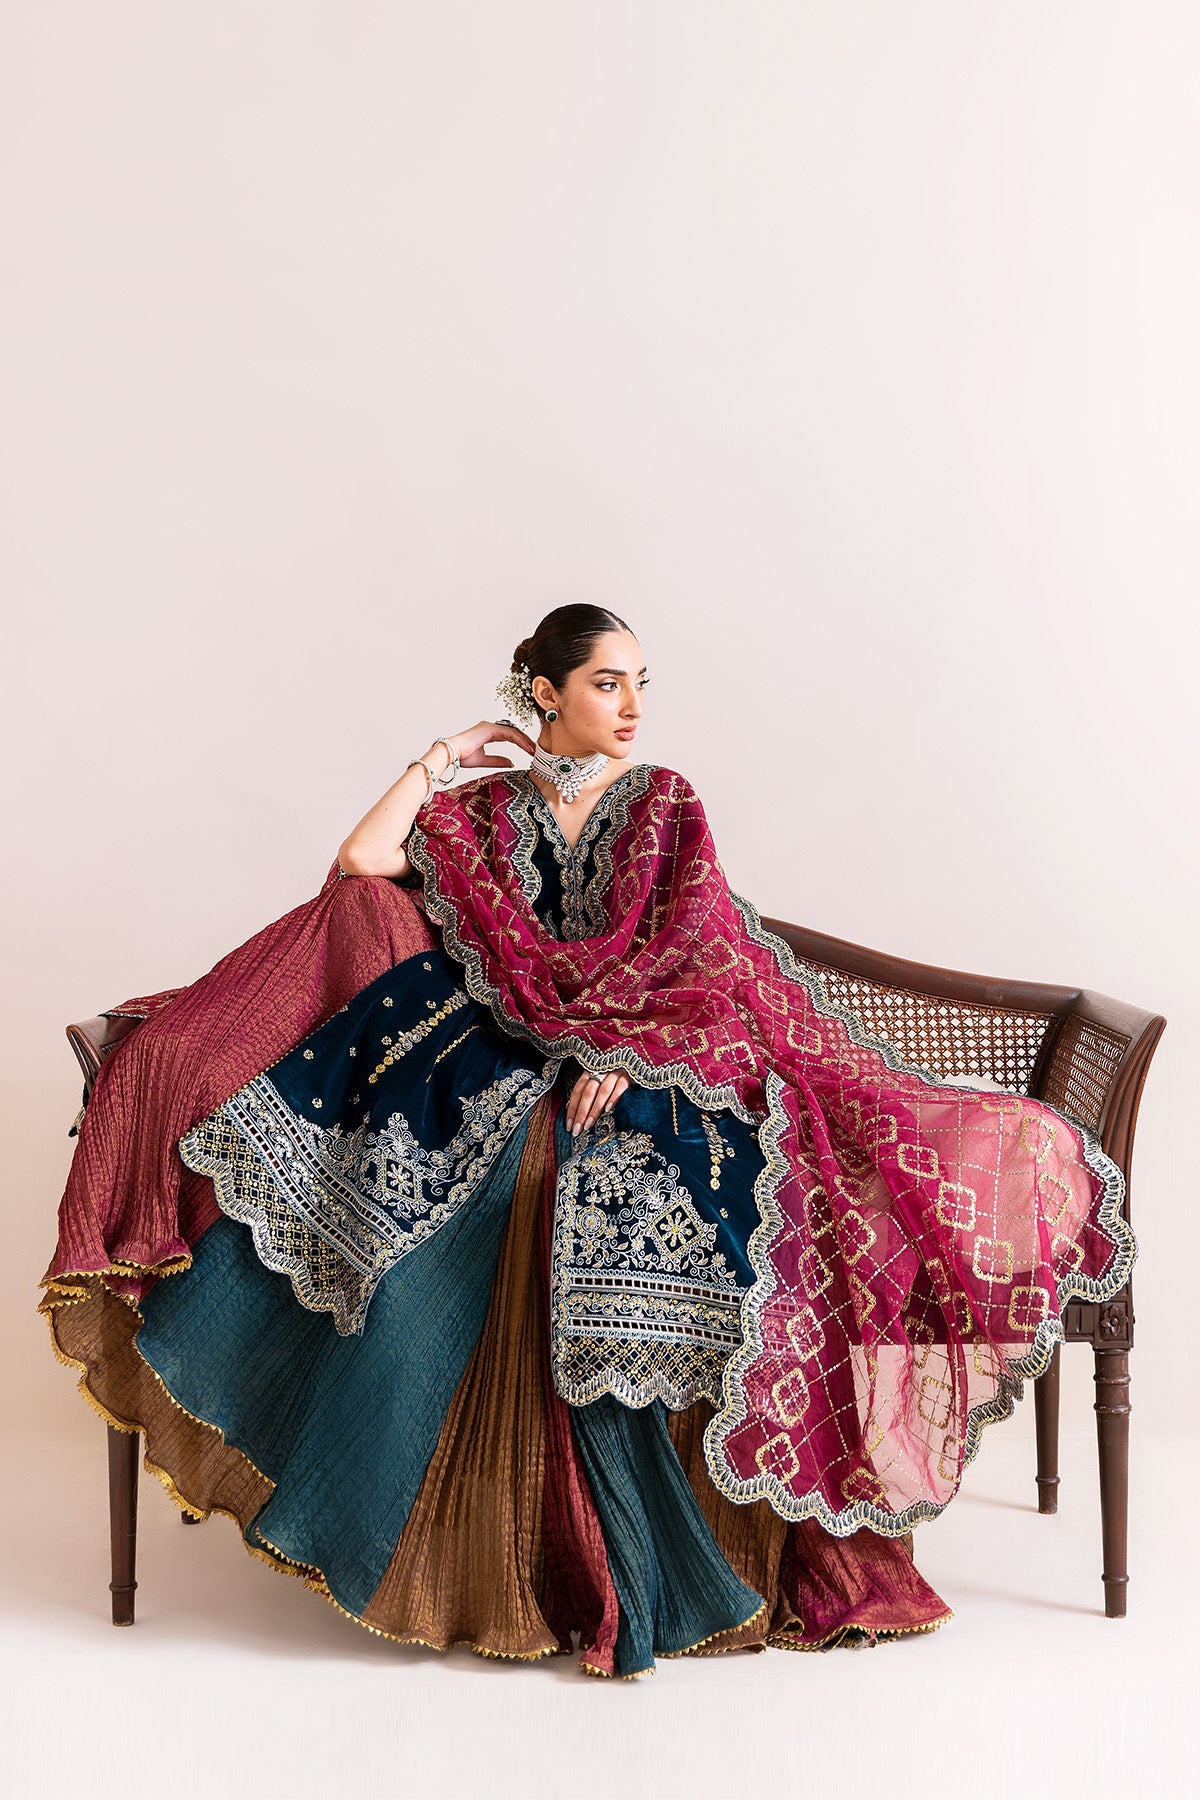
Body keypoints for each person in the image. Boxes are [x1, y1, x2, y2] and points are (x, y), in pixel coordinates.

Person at [40, 604, 1134, 1679]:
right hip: (505, 1048)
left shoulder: (664, 802)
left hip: (662, 1055)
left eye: (640, 684)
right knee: (498, 1173)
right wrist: (441, 755)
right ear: (545, 692)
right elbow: (364, 860)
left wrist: (636, 1049)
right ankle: (476, 1537)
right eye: (608, 683)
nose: (631, 706)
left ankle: (655, 1553)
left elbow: (694, 947)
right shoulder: (482, 812)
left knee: (666, 1187)